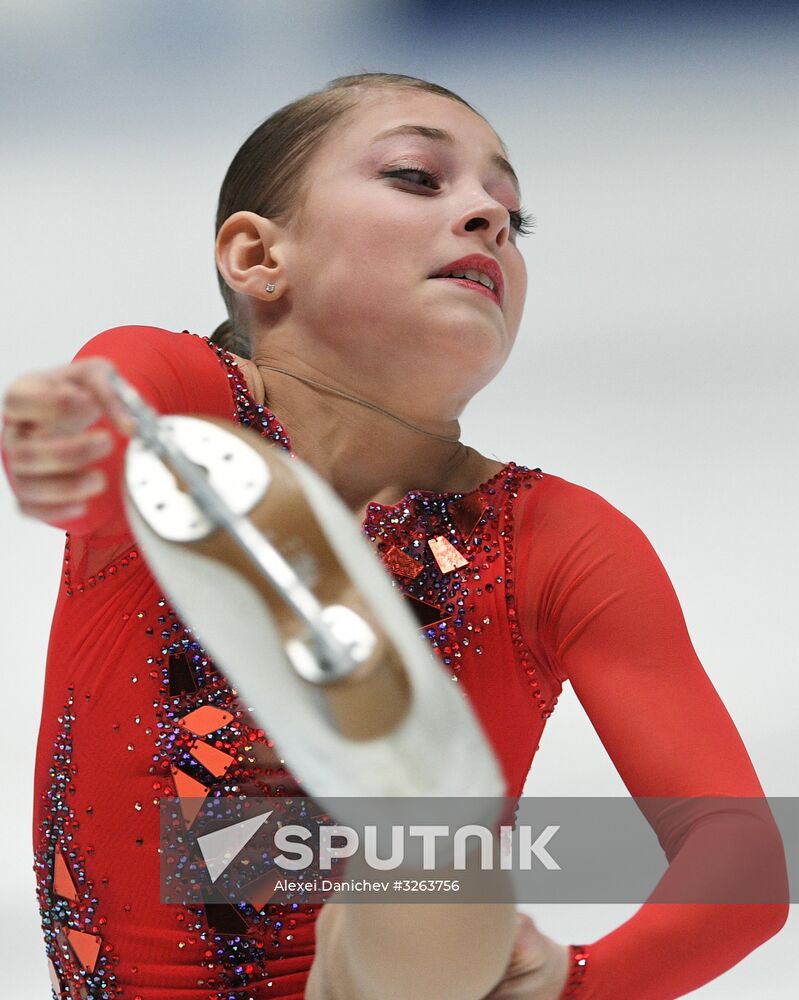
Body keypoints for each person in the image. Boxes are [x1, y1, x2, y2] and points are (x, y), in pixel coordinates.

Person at [1, 72, 789, 1000]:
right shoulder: (188, 406)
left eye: (511, 215)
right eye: (418, 176)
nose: (487, 218)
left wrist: (573, 984)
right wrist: (61, 438)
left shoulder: (561, 542)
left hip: (383, 975)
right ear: (258, 256)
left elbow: (741, 854)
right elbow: (109, 426)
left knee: (441, 852)